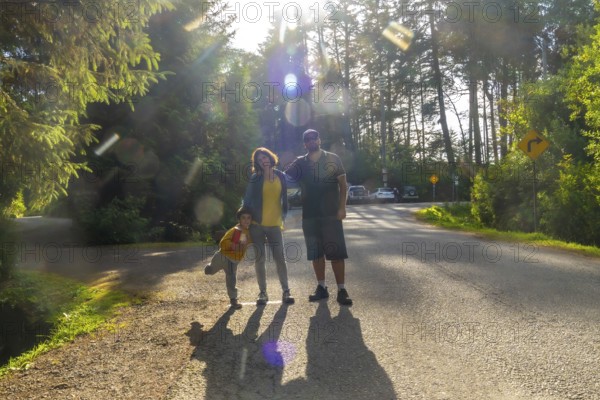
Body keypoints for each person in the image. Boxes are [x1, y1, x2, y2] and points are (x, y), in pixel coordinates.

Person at [285, 129, 353, 305]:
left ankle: (342, 290)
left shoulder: (333, 158)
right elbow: (284, 178)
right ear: (304, 143)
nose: (311, 141)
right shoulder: (300, 162)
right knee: (316, 254)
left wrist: (342, 208)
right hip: (310, 215)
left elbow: (343, 185)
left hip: (331, 214)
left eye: (313, 138)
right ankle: (321, 287)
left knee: (336, 253)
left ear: (319, 140)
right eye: (307, 139)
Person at [243, 147, 294, 305]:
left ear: (270, 158)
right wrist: (244, 220)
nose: (263, 161)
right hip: (257, 225)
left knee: (280, 258)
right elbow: (247, 200)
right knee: (260, 259)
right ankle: (262, 293)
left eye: (264, 157)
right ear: (257, 163)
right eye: (259, 160)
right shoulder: (255, 178)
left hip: (275, 225)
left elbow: (286, 196)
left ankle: (286, 291)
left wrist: (284, 217)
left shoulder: (281, 176)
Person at [204, 207, 252, 310]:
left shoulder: (247, 232)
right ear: (239, 220)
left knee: (231, 280)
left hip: (233, 262)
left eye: (248, 218)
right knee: (211, 271)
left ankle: (233, 299)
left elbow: (249, 241)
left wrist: (264, 239)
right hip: (222, 257)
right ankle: (209, 268)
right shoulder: (234, 230)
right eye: (243, 218)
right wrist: (233, 246)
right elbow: (223, 242)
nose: (246, 220)